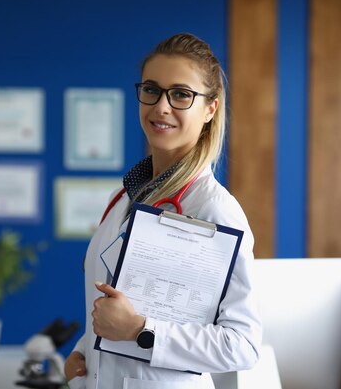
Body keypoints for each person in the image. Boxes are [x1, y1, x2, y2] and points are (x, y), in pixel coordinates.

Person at [64, 32, 261, 389]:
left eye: (181, 94)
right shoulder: (122, 199)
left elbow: (242, 346)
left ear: (210, 108)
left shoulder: (214, 210)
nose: (161, 107)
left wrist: (140, 330)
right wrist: (84, 353)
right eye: (152, 90)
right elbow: (114, 307)